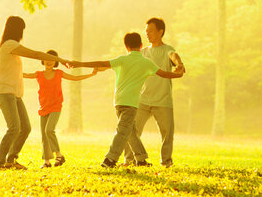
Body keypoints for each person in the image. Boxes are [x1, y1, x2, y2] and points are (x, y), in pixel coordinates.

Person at [70, 32, 184, 168]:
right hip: (131, 104)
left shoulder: (122, 60)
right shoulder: (146, 63)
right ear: (141, 45)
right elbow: (164, 74)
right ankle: (125, 159)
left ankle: (126, 159)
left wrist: (79, 64)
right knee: (125, 131)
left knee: (128, 132)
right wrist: (178, 74)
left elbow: (101, 63)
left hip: (118, 102)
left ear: (126, 47)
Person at [0, 16, 70, 171]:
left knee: (25, 127)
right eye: (22, 29)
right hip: (5, 92)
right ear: (17, 29)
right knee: (14, 127)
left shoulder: (12, 46)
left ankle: (11, 160)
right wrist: (59, 59)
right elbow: (36, 54)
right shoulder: (9, 45)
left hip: (15, 94)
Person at [123, 17, 186, 168]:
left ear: (160, 32)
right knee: (130, 129)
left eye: (150, 30)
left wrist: (179, 64)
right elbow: (126, 62)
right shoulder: (142, 52)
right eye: (145, 31)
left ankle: (166, 162)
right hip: (142, 100)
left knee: (167, 133)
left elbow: (174, 56)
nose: (147, 34)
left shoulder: (167, 50)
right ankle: (129, 160)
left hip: (163, 100)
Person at [23, 49, 100, 169]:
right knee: (44, 135)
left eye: (52, 60)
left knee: (49, 130)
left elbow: (75, 78)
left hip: (55, 106)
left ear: (56, 62)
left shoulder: (59, 73)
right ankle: (47, 162)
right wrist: (11, 70)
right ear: (42, 60)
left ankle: (59, 155)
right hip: (43, 107)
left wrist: (91, 74)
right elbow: (25, 75)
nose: (49, 62)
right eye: (47, 59)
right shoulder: (39, 74)